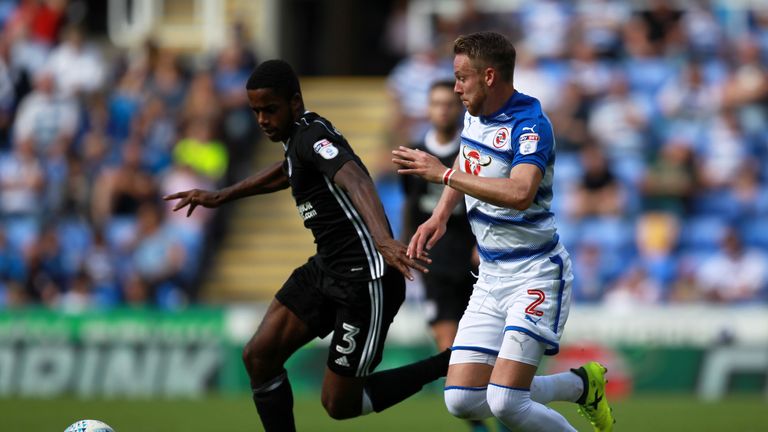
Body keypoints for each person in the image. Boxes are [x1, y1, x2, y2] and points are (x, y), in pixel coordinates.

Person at [164, 59, 450, 431]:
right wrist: (223, 195)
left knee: (339, 404)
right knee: (258, 356)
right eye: (256, 111)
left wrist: (382, 239)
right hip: (326, 268)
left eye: (270, 109)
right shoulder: (295, 138)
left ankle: (447, 363)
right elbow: (286, 171)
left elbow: (357, 180)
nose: (263, 119)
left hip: (364, 279)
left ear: (294, 102)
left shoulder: (313, 136)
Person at [392, 31, 615, 431]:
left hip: (535, 273)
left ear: (489, 76)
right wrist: (441, 214)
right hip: (491, 276)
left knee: (507, 402)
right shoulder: (475, 114)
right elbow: (469, 156)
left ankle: (578, 388)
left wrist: (442, 175)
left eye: (462, 78)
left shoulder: (531, 125)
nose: (456, 87)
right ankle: (580, 385)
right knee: (461, 399)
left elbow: (520, 192)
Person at [401, 80, 487, 431]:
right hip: (434, 266)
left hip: (473, 263)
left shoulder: (473, 148)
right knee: (450, 350)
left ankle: (508, 410)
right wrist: (407, 247)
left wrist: (480, 244)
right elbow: (411, 204)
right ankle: (479, 424)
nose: (442, 110)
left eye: (448, 103)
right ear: (428, 108)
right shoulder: (416, 152)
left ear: (459, 107)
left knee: (485, 350)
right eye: (436, 103)